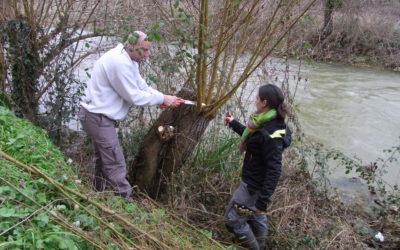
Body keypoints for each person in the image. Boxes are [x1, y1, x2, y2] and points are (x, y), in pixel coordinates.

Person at [77, 31, 181, 200]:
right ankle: (127, 204)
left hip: (97, 116)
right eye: (145, 50)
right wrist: (162, 98)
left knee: (103, 159)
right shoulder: (119, 62)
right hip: (98, 117)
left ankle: (97, 195)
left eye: (148, 50)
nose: (147, 55)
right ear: (131, 45)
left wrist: (162, 97)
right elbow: (133, 95)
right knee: (115, 163)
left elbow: (142, 87)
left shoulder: (128, 60)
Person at [224, 84, 292, 250]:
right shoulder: (267, 121)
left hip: (253, 186)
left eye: (256, 98)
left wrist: (263, 202)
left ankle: (254, 248)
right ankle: (260, 245)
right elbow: (255, 140)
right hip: (255, 183)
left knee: (232, 220)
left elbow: (274, 169)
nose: (255, 100)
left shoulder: (269, 132)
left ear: (264, 102)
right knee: (255, 216)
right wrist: (233, 123)